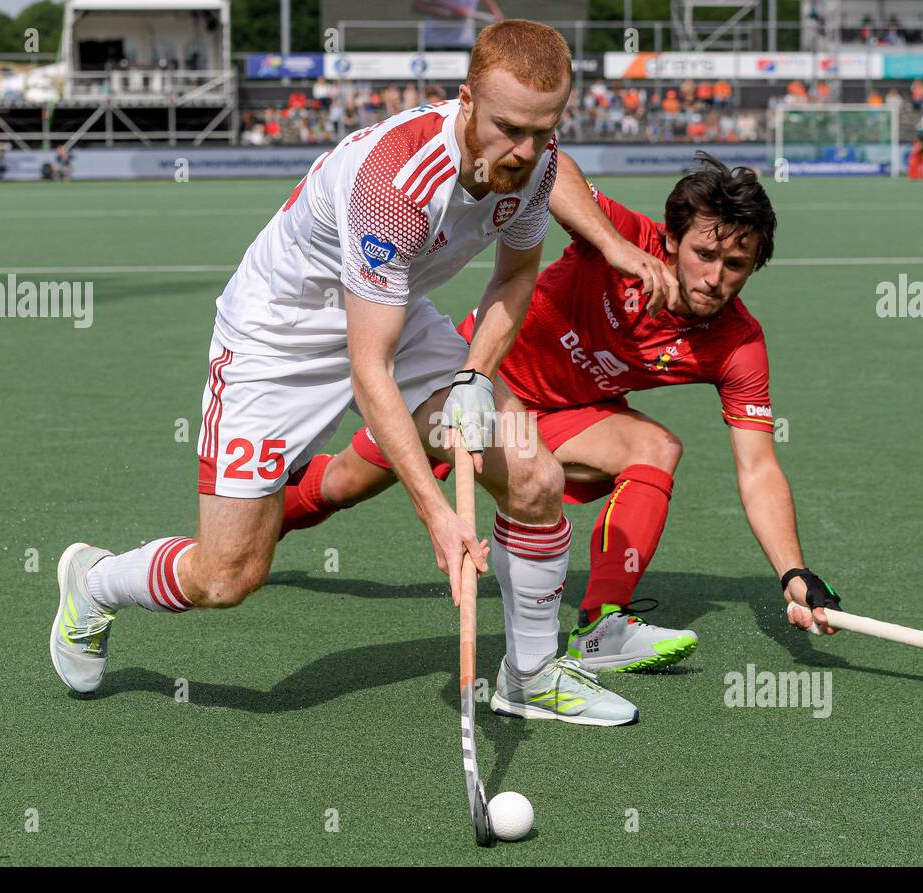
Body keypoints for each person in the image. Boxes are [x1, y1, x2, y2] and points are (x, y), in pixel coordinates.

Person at [48, 21, 660, 727]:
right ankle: (94, 583)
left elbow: (516, 275)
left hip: (393, 312)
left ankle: (529, 676)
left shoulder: (539, 165)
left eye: (543, 130)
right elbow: (368, 370)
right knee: (227, 576)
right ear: (466, 101)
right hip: (279, 335)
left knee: (533, 475)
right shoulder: (394, 183)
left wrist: (471, 376)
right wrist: (437, 515)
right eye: (508, 127)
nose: (523, 151)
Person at [278, 152, 842, 672]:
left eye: (736, 264)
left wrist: (792, 571)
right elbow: (551, 165)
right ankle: (266, 520)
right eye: (705, 254)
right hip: (473, 384)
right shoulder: (626, 237)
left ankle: (602, 627)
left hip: (562, 418)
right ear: (672, 241)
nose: (715, 278)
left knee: (657, 447)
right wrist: (614, 246)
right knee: (343, 485)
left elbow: (758, 468)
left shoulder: (738, 344)